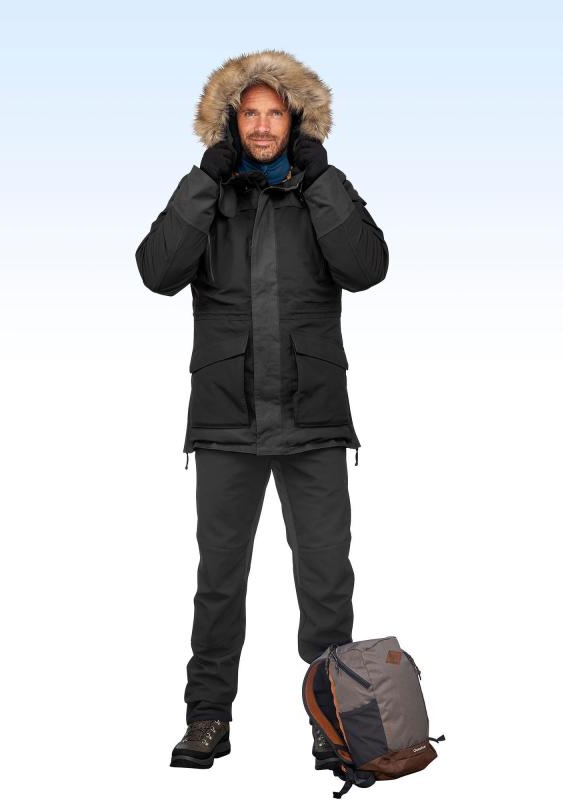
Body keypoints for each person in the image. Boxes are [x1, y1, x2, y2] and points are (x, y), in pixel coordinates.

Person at [135, 49, 389, 770]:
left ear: (297, 120)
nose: (263, 126)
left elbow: (367, 267)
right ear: (230, 122)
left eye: (276, 113)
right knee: (219, 583)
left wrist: (322, 178)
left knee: (327, 584)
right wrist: (202, 180)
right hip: (226, 423)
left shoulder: (321, 189)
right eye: (249, 113)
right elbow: (157, 271)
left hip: (313, 422)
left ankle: (335, 723)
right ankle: (207, 717)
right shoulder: (209, 193)